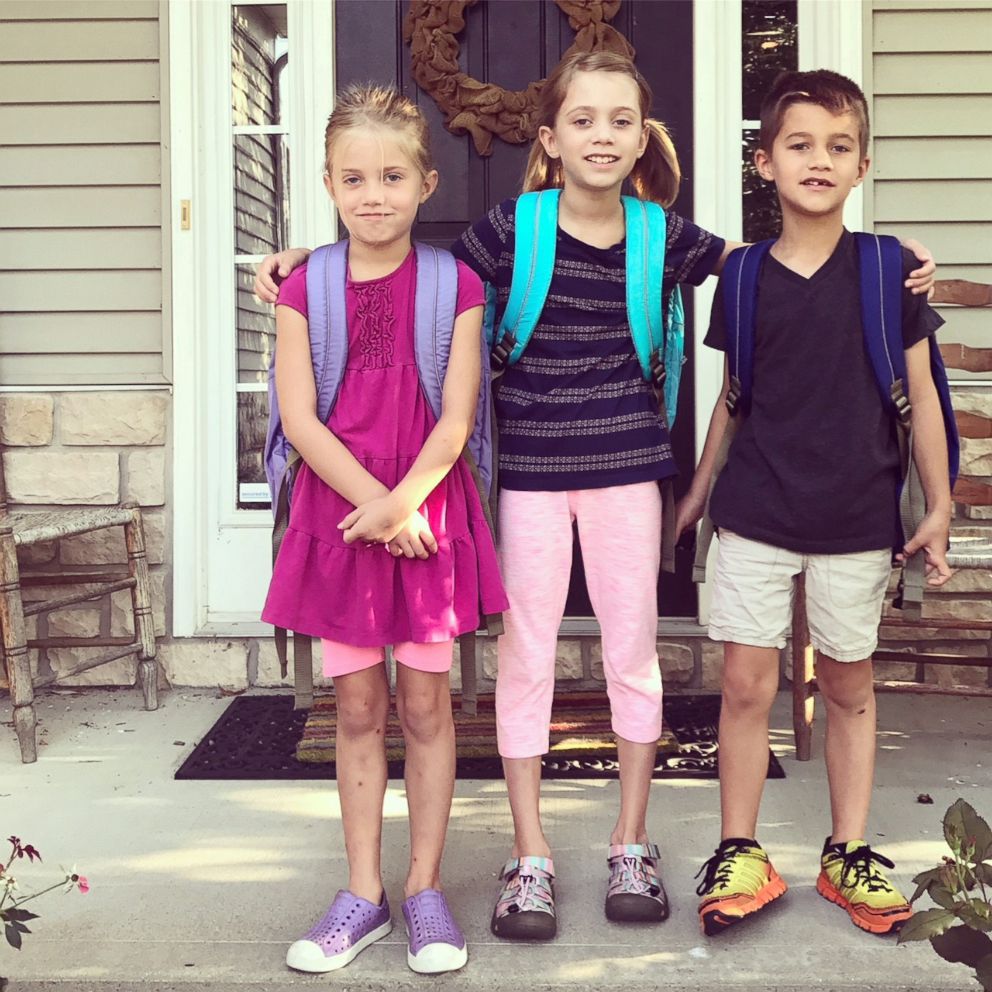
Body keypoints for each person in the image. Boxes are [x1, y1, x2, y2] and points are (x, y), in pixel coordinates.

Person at [255, 54, 936, 941]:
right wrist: (308, 257)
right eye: (582, 120)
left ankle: (632, 838)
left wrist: (891, 261)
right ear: (550, 139)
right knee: (528, 655)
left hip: (628, 475)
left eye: (621, 121)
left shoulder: (666, 235)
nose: (602, 136)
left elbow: (764, 262)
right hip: (532, 478)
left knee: (632, 655)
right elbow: (396, 262)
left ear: (642, 138)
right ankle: (529, 853)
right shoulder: (510, 229)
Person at [677, 69, 952, 938]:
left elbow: (922, 398)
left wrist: (938, 506)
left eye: (839, 147)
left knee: (848, 684)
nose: (818, 160)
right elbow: (733, 396)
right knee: (748, 686)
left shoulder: (887, 271)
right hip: (755, 510)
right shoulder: (745, 276)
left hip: (856, 518)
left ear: (862, 164)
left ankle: (849, 849)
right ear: (764, 162)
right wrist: (696, 494)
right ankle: (739, 849)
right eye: (799, 144)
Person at [262, 83, 507, 975]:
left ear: (426, 183)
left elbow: (456, 419)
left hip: (428, 516)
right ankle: (362, 892)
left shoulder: (458, 285)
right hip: (344, 520)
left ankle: (425, 890)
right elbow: (300, 420)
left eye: (392, 176)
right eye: (353, 178)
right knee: (357, 708)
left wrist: (407, 503)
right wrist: (377, 505)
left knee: (429, 707)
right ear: (328, 184)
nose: (373, 194)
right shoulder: (304, 290)